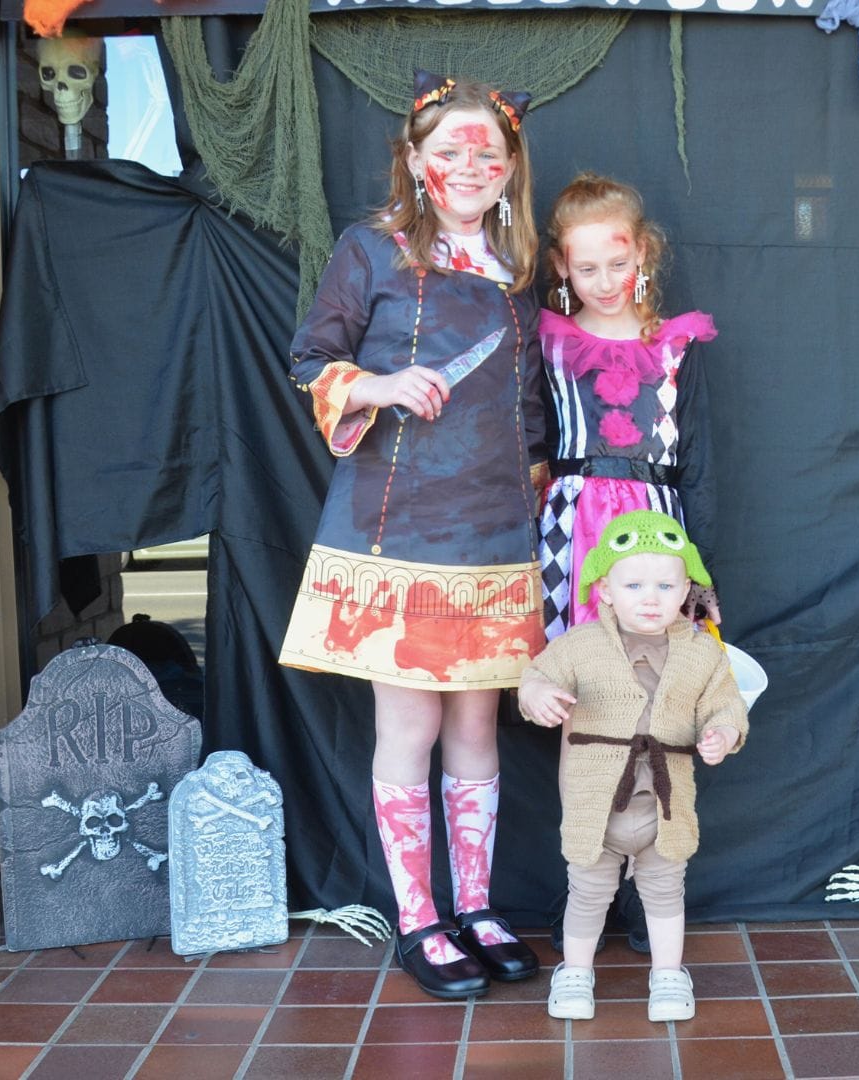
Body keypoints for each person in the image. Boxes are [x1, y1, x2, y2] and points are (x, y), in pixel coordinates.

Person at [279, 71, 548, 1001]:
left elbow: (530, 415)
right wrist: (382, 386)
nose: (469, 166)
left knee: (477, 723)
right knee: (412, 723)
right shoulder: (372, 250)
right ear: (414, 160)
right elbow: (309, 359)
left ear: (509, 169)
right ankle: (420, 921)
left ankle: (476, 909)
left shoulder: (521, 275)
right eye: (449, 152)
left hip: (496, 534)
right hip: (397, 531)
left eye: (487, 153)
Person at [518, 510, 748, 1022]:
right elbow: (535, 676)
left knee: (665, 891)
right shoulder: (580, 646)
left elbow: (726, 703)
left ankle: (668, 975)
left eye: (665, 586)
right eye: (634, 585)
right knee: (587, 891)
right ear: (605, 590)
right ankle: (575, 973)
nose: (650, 598)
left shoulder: (702, 653)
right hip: (595, 804)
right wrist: (537, 695)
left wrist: (724, 732)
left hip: (664, 805)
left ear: (686, 589)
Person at [539, 173, 722, 642]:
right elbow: (527, 446)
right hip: (570, 528)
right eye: (587, 269)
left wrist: (701, 567)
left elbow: (697, 461)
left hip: (656, 526)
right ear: (561, 265)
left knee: (652, 658)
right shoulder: (549, 345)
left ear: (641, 252)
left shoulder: (675, 347)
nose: (605, 283)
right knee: (574, 657)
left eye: (618, 264)